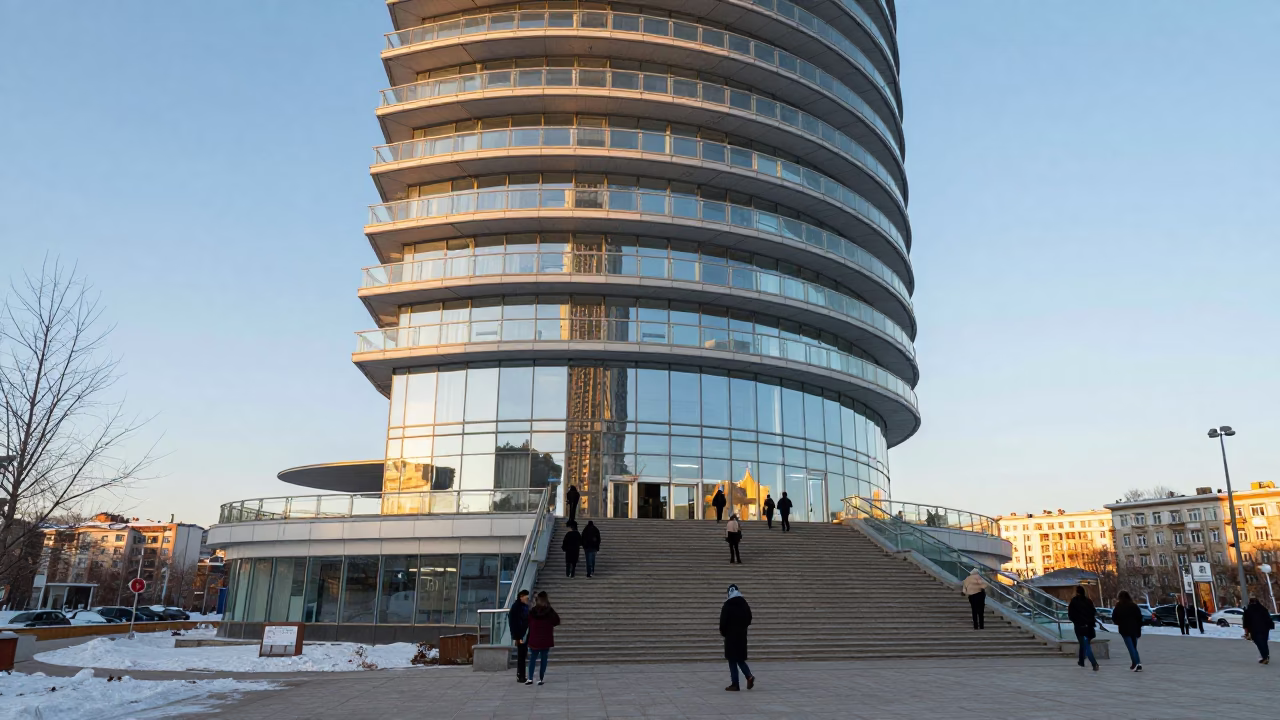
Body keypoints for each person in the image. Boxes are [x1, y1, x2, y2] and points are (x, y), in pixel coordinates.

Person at [719, 584, 754, 691]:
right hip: (742, 636)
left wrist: (724, 633)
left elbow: (723, 622)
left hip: (730, 636)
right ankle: (749, 676)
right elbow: (749, 618)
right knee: (740, 659)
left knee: (732, 660)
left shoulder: (728, 604)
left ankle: (735, 684)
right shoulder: (744, 604)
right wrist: (743, 628)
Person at [525, 591, 560, 685]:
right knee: (544, 658)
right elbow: (557, 621)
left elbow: (526, 622)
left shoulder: (532, 611)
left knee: (532, 658)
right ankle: (540, 678)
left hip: (534, 638)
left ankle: (530, 678)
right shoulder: (549, 611)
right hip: (546, 639)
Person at [1067, 586, 1099, 671]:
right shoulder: (1088, 601)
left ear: (1077, 592)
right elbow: (1093, 612)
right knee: (1084, 643)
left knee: (1085, 645)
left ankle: (1094, 663)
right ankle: (1081, 661)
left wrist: (1076, 621)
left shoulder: (1074, 601)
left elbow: (1071, 614)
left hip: (1080, 626)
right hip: (1089, 626)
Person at [1113, 591, 1143, 671]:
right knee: (1134, 647)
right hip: (1135, 629)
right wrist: (1139, 629)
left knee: (1131, 648)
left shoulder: (1118, 606)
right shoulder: (1134, 606)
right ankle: (1136, 663)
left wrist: (1120, 623)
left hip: (1124, 629)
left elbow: (1114, 618)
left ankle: (1137, 664)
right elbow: (1139, 618)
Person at [1243, 597, 1274, 664]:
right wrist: (1270, 626)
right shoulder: (1263, 609)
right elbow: (1268, 618)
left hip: (1254, 629)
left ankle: (1265, 657)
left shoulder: (1248, 610)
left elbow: (1246, 622)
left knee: (1259, 643)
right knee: (1264, 642)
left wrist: (1247, 632)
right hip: (1265, 628)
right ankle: (1266, 656)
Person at [509, 589, 531, 683]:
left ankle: (522, 675)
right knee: (521, 656)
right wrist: (517, 637)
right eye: (526, 597)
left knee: (523, 655)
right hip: (520, 635)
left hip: (524, 634)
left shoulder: (524, 606)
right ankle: (520, 676)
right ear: (521, 597)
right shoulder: (516, 607)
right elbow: (513, 623)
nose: (527, 599)